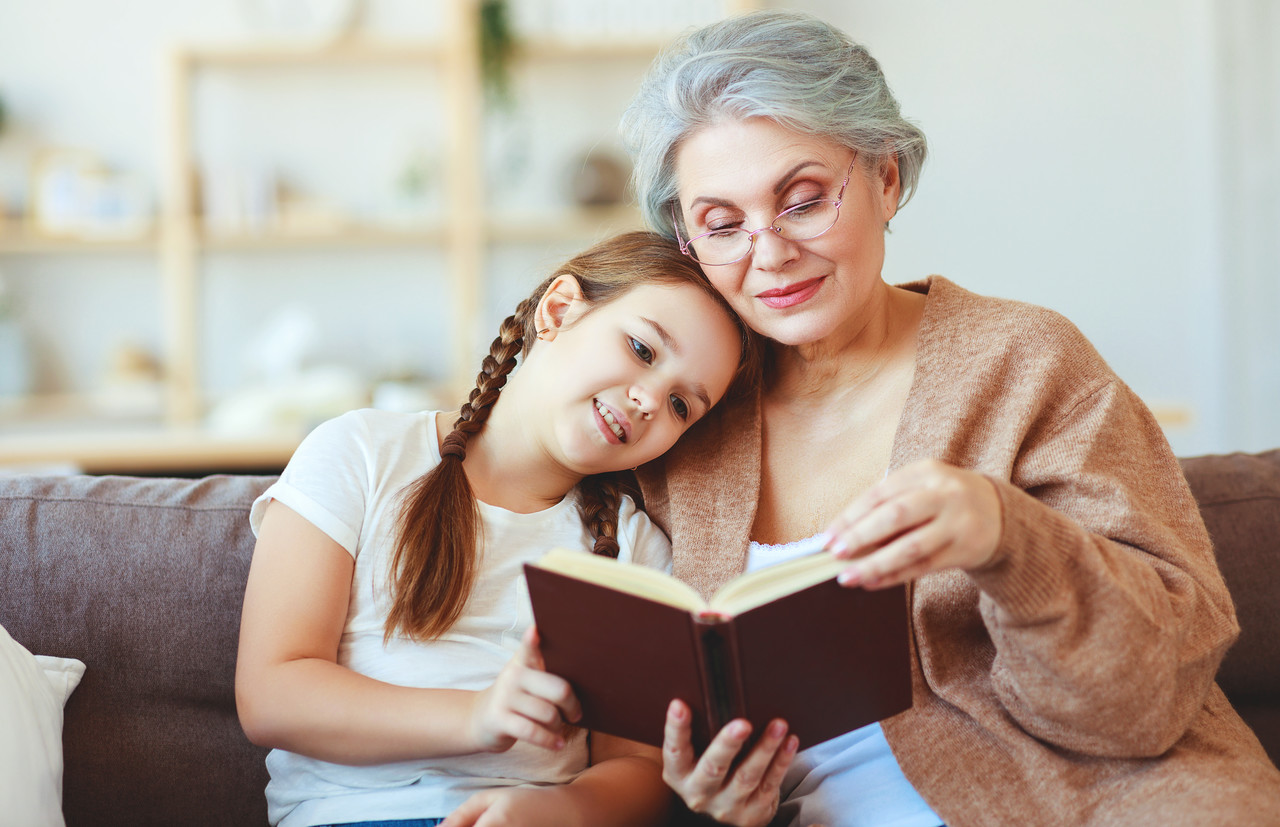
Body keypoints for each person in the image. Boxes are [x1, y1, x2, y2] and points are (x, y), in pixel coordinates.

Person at [618, 10, 1280, 827]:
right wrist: (710, 800)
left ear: (886, 177)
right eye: (722, 225)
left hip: (1093, 799)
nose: (770, 252)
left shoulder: (1025, 359)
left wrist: (1009, 537)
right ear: (686, 240)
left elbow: (1147, 698)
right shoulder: (683, 419)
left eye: (804, 200)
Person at [234, 230, 760, 827]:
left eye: (682, 406)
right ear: (559, 309)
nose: (648, 401)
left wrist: (557, 809)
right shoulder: (360, 452)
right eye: (642, 350)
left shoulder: (637, 551)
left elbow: (635, 768)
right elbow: (271, 695)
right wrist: (477, 718)